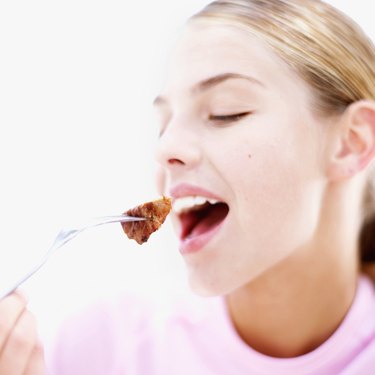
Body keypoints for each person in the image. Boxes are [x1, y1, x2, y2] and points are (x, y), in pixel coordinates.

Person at [1, 0, 375, 373]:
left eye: (225, 112)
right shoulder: (96, 347)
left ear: (352, 142)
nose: (165, 150)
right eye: (163, 125)